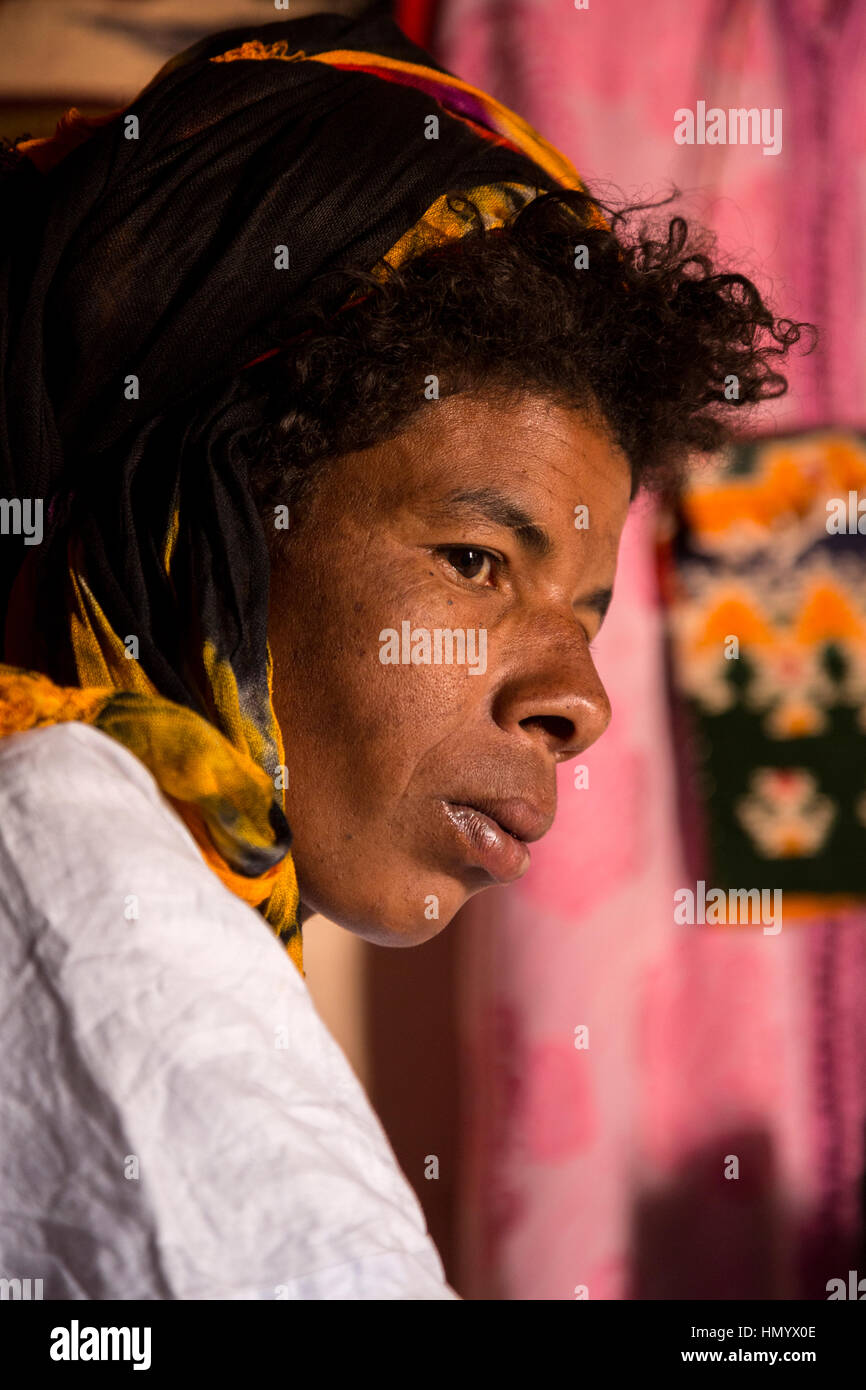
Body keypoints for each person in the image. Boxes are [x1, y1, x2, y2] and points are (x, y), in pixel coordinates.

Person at [0, 12, 808, 1299]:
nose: (580, 703)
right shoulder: (69, 862)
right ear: (209, 507)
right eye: (477, 561)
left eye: (586, 616)